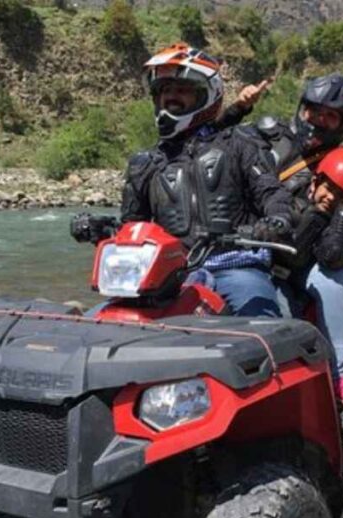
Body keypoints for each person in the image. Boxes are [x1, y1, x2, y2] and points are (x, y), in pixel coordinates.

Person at [121, 43, 293, 317]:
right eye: (165, 90)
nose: (171, 97)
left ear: (206, 95)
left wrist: (277, 219)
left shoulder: (240, 144)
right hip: (171, 275)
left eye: (182, 89)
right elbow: (131, 228)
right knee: (103, 320)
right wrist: (101, 231)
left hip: (236, 267)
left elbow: (273, 193)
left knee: (263, 324)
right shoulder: (146, 163)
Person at [278, 147, 343, 414]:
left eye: (341, 196)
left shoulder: (342, 218)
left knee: (335, 278)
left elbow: (331, 256)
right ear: (316, 181)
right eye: (328, 188)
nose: (330, 197)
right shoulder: (287, 198)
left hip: (309, 269)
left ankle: (340, 380)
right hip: (276, 267)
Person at [240, 73, 343, 226]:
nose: (320, 119)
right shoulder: (267, 134)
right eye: (315, 110)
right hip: (238, 236)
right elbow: (219, 151)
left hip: (292, 248)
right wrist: (238, 108)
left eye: (331, 115)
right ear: (304, 109)